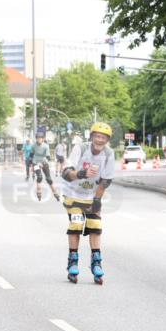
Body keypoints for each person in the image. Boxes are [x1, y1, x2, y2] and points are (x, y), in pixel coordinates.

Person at [61, 121, 116, 284]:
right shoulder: (81, 149)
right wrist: (82, 173)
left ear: (107, 140)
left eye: (103, 138)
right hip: (73, 194)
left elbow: (106, 180)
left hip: (91, 196)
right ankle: (72, 262)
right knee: (76, 226)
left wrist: (97, 200)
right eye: (97, 136)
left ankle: (96, 263)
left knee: (95, 226)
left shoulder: (109, 154)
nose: (100, 140)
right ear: (92, 137)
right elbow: (66, 173)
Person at [31, 132, 61, 202]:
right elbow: (32, 154)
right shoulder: (33, 146)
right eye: (37, 138)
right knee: (39, 177)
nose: (38, 140)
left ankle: (55, 193)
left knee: (48, 179)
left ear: (43, 139)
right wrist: (31, 163)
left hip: (44, 162)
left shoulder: (46, 146)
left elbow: (48, 157)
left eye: (40, 138)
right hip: (36, 162)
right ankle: (39, 192)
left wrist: (42, 163)